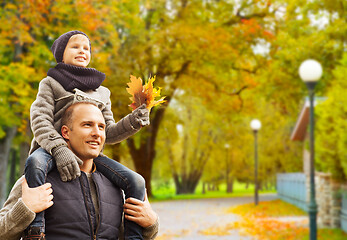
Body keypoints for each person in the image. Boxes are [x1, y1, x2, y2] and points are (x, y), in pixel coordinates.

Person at [24, 30, 149, 239]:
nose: (82, 51)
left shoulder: (102, 92)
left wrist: (133, 121)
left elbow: (107, 132)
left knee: (136, 181)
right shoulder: (51, 83)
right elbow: (40, 120)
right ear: (61, 54)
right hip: (51, 148)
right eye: (75, 47)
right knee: (34, 164)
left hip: (88, 154)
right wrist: (59, 149)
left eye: (86, 48)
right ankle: (36, 229)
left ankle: (133, 236)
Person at [0, 102, 159, 240]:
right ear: (65, 132)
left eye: (101, 127)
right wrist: (25, 209)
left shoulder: (116, 185)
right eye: (87, 125)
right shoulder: (36, 181)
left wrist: (150, 224)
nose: (97, 133)